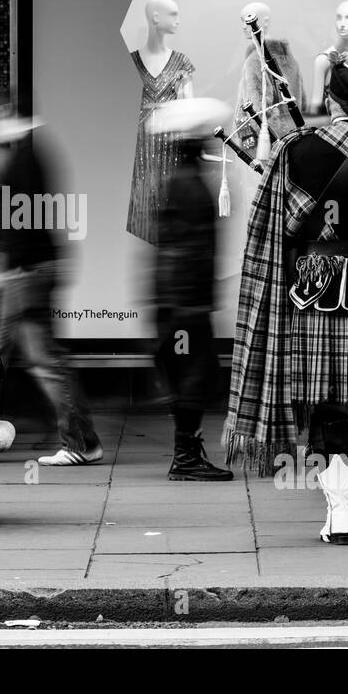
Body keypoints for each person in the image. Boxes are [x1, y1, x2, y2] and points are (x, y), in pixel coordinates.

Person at [223, 65, 348, 544]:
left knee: (328, 405)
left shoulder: (295, 149)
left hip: (318, 288)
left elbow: (280, 234)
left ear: (329, 102)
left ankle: (340, 519)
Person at [0, 108, 103, 466]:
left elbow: (20, 219)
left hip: (28, 273)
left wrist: (8, 268)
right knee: (31, 358)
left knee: (9, 356)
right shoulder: (30, 153)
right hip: (32, 270)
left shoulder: (24, 156)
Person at [150, 96, 234, 481]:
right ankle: (186, 457)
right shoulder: (191, 184)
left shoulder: (180, 180)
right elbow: (191, 250)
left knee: (193, 375)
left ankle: (188, 451)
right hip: (186, 303)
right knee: (193, 376)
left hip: (179, 301)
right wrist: (197, 304)